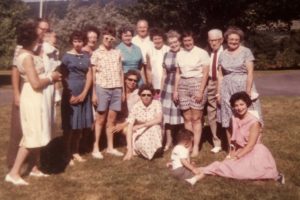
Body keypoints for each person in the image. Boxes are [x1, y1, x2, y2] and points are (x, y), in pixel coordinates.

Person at [5, 20, 61, 185]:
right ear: (30, 39)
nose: (40, 39)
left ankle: (34, 168)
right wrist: (52, 77)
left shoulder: (31, 52)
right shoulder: (26, 57)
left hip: (38, 96)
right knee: (31, 134)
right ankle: (14, 173)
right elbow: (35, 83)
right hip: (32, 95)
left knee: (39, 131)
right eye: (38, 37)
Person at [200, 92, 284, 184]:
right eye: (236, 105)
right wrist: (231, 153)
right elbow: (233, 140)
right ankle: (202, 171)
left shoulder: (254, 122)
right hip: (240, 149)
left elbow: (250, 146)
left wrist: (236, 157)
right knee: (225, 166)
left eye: (242, 104)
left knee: (237, 171)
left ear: (247, 104)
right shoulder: (233, 118)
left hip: (254, 152)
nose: (239, 108)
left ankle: (267, 175)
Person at [6, 18, 50, 170]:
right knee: (21, 129)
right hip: (27, 89)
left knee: (37, 128)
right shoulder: (23, 48)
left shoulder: (43, 46)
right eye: (41, 29)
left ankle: (35, 165)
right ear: (35, 29)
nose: (43, 32)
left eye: (46, 29)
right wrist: (16, 94)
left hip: (39, 90)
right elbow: (16, 71)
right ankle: (14, 164)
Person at [216, 27, 263, 152]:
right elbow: (220, 75)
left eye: (237, 39)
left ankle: (254, 148)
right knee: (229, 119)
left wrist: (247, 93)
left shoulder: (246, 51)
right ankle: (232, 150)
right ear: (226, 39)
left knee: (250, 117)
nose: (234, 41)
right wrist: (219, 93)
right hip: (227, 88)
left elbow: (250, 72)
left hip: (243, 87)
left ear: (240, 40)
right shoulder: (222, 54)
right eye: (231, 39)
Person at [173, 31, 210, 157]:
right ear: (182, 42)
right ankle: (188, 145)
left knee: (196, 118)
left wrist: (200, 91)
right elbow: (178, 73)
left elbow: (205, 73)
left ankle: (196, 147)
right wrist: (175, 90)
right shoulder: (179, 54)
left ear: (193, 40)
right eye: (185, 41)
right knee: (187, 118)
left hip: (197, 84)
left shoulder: (202, 53)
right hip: (183, 85)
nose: (187, 43)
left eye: (190, 40)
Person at [91, 25, 124, 159]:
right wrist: (93, 93)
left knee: (112, 120)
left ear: (114, 39)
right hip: (102, 88)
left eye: (111, 37)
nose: (108, 39)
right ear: (102, 38)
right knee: (100, 119)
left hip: (116, 88)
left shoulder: (117, 52)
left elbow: (121, 72)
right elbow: (93, 75)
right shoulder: (96, 53)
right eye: (106, 37)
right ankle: (96, 147)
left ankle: (110, 147)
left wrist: (122, 91)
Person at [60, 30, 93, 165]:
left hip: (84, 91)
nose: (78, 44)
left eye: (80, 41)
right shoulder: (66, 56)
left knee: (80, 125)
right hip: (71, 91)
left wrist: (85, 93)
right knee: (70, 125)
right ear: (71, 42)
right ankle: (66, 154)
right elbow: (63, 76)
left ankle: (75, 151)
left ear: (83, 42)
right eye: (75, 41)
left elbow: (89, 75)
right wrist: (70, 94)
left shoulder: (86, 56)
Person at [123, 84, 162, 161]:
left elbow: (158, 119)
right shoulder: (136, 107)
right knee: (136, 137)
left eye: (149, 95)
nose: (146, 97)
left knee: (155, 127)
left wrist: (142, 125)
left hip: (152, 129)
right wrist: (129, 150)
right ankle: (138, 150)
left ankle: (151, 151)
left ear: (152, 96)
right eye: (143, 95)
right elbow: (130, 126)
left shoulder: (157, 104)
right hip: (139, 132)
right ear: (140, 96)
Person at [160, 30, 184, 151]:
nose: (173, 45)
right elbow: (164, 74)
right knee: (167, 115)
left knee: (180, 114)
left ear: (179, 41)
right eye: (171, 43)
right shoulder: (166, 54)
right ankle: (168, 141)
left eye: (175, 42)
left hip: (182, 84)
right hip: (168, 86)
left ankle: (181, 139)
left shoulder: (185, 53)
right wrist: (161, 90)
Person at [205, 29, 224, 153]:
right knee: (211, 112)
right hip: (210, 82)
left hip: (223, 83)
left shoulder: (226, 52)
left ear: (221, 40)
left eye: (215, 40)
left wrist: (220, 91)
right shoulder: (207, 53)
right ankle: (216, 142)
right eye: (211, 40)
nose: (213, 43)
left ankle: (230, 140)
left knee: (225, 112)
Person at [112, 70, 141, 135]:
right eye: (130, 79)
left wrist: (123, 125)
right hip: (117, 119)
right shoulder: (119, 92)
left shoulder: (138, 95)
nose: (132, 82)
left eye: (135, 81)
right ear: (125, 80)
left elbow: (136, 115)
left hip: (130, 121)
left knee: (127, 130)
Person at [145, 27, 169, 95]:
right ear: (152, 40)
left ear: (163, 39)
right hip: (154, 83)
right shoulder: (149, 51)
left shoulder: (168, 50)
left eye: (159, 38)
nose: (157, 41)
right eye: (155, 39)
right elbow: (148, 69)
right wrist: (150, 84)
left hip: (166, 82)